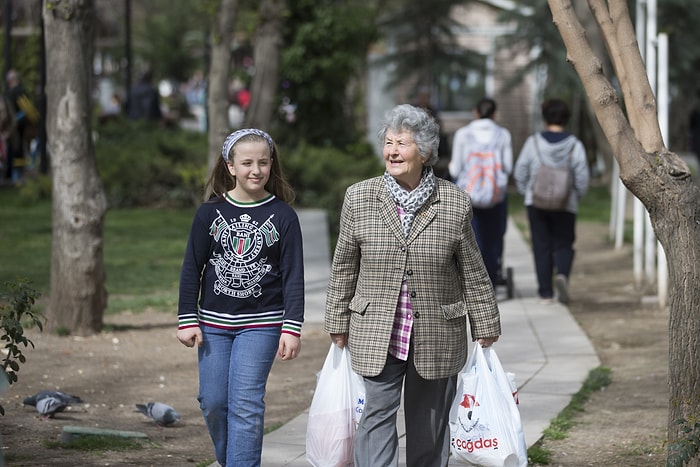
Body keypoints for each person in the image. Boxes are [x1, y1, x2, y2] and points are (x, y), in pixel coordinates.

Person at [324, 104, 501, 467]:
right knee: (375, 416)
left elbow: (472, 268)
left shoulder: (454, 201)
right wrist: (336, 321)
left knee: (431, 423)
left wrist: (485, 324)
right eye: (388, 143)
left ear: (424, 151)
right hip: (376, 327)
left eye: (402, 144)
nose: (392, 151)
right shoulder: (359, 197)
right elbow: (344, 265)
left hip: (437, 330)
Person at [176, 129, 305, 466]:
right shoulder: (209, 214)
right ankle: (233, 459)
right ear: (230, 166)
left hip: (262, 325)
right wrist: (187, 319)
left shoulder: (284, 216)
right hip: (214, 325)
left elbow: (293, 277)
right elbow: (192, 268)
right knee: (214, 402)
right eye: (246, 163)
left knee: (246, 403)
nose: (256, 170)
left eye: (263, 162)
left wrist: (291, 328)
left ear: (272, 164)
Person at [513, 98, 589, 304]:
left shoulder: (534, 142)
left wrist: (526, 191)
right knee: (564, 243)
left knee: (541, 245)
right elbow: (582, 176)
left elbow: (520, 170)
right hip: (566, 202)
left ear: (545, 117)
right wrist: (576, 196)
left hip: (536, 202)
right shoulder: (575, 145)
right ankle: (562, 274)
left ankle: (545, 292)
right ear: (566, 118)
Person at [449, 97, 513, 287]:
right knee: (493, 239)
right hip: (495, 196)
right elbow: (508, 168)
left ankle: (470, 283)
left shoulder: (463, 134)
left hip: (467, 197)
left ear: (475, 112)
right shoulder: (503, 135)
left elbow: (455, 169)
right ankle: (491, 281)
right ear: (494, 113)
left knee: (469, 239)